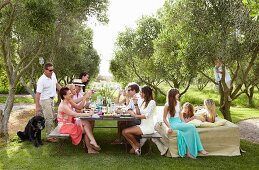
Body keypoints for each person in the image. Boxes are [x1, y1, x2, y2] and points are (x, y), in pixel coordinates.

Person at [163, 88, 208, 159]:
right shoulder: (167, 105)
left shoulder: (178, 102)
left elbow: (180, 114)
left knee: (190, 129)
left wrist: (184, 122)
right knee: (192, 127)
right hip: (173, 123)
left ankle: (189, 153)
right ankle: (200, 149)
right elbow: (164, 118)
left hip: (179, 122)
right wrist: (169, 127)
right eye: (177, 93)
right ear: (173, 94)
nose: (179, 95)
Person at [58, 87, 100, 153]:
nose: (71, 94)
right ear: (64, 96)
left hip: (70, 123)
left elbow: (79, 107)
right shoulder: (63, 106)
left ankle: (92, 143)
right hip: (64, 126)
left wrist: (85, 97)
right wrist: (88, 114)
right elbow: (75, 114)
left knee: (86, 123)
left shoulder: (69, 100)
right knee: (86, 128)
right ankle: (90, 147)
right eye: (69, 93)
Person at [122, 86, 156, 156]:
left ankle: (136, 146)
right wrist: (135, 103)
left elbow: (146, 116)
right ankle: (136, 146)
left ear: (145, 93)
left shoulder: (152, 102)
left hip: (148, 127)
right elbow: (139, 113)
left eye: (141, 92)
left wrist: (135, 116)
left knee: (125, 131)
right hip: (142, 125)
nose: (140, 94)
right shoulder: (144, 102)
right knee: (124, 132)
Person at [35, 62, 62, 143]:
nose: (52, 72)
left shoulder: (53, 75)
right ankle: (49, 136)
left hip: (51, 99)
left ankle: (54, 133)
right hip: (45, 100)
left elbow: (57, 85)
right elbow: (38, 94)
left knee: (54, 117)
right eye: (50, 70)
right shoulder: (41, 80)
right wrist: (37, 107)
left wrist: (64, 92)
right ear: (45, 70)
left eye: (52, 70)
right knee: (49, 118)